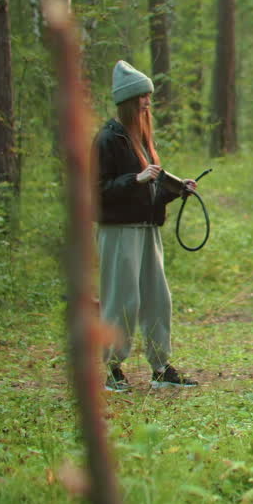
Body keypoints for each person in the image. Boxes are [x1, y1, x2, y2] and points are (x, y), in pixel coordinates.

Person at [94, 60, 198, 391]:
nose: (148, 103)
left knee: (157, 298)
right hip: (118, 231)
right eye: (143, 97)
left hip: (147, 230)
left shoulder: (142, 140)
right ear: (128, 100)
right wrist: (133, 179)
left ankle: (161, 367)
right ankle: (113, 369)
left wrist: (176, 191)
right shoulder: (107, 140)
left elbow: (147, 192)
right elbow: (96, 192)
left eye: (149, 97)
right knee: (121, 299)